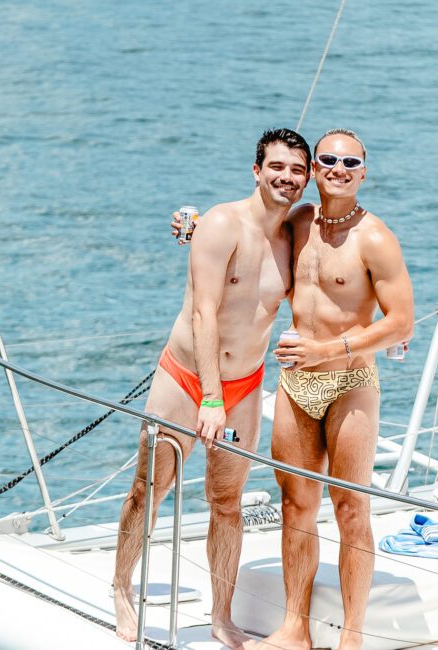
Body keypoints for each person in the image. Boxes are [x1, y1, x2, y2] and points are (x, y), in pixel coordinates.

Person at [113, 128, 311, 646]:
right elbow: (204, 313)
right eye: (276, 166)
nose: (286, 177)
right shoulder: (223, 224)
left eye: (296, 169)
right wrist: (209, 397)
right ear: (256, 170)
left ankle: (221, 615)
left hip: (246, 383)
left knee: (227, 502)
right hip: (186, 377)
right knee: (148, 489)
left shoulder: (291, 238)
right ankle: (120, 587)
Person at [259, 128, 414, 650]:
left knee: (351, 509)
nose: (338, 168)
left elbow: (402, 323)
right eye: (328, 159)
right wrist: (192, 227)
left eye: (351, 161)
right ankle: (294, 627)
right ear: (315, 168)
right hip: (295, 386)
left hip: (351, 382)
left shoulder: (375, 238)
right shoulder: (300, 221)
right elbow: (247, 239)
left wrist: (328, 350)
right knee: (296, 504)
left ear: (364, 172)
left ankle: (352, 636)